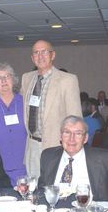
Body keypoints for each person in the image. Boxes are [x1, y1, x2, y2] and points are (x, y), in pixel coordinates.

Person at [22, 40, 81, 179]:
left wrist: (73, 151)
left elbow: (75, 119)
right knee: (33, 189)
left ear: (53, 55)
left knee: (55, 190)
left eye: (44, 52)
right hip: (31, 146)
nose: (40, 56)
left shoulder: (67, 80)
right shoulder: (27, 78)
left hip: (56, 146)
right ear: (32, 58)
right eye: (36, 52)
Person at [39, 115, 108, 201]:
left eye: (78, 134)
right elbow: (42, 190)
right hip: (55, 210)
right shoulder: (48, 156)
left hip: (89, 210)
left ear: (85, 138)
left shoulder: (104, 158)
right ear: (61, 136)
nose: (71, 139)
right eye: (67, 132)